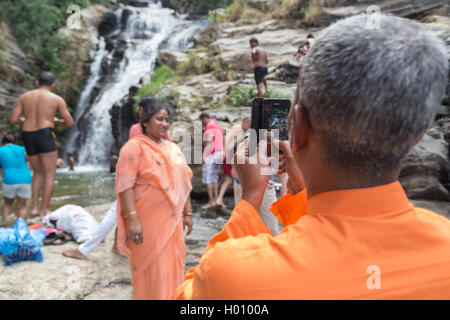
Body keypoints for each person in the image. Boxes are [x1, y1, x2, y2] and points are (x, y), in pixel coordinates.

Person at [173, 14, 450, 299]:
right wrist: (304, 196)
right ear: (418, 136)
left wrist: (251, 197)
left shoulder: (231, 275)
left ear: (299, 126)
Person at [62, 97, 170, 261]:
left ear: (142, 111)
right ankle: (117, 246)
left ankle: (84, 250)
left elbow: (132, 155)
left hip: (135, 181)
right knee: (124, 213)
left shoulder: (136, 128)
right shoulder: (165, 132)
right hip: (153, 181)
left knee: (116, 213)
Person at [116, 98, 194, 300]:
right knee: (152, 268)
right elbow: (125, 187)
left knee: (174, 264)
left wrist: (188, 213)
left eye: (167, 120)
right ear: (145, 121)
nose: (164, 124)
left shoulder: (173, 148)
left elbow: (184, 183)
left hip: (173, 221)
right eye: (159, 119)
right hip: (146, 222)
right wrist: (132, 220)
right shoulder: (133, 148)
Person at [10, 71, 74, 218]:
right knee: (50, 173)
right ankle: (44, 210)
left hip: (28, 134)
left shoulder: (24, 97)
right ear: (53, 85)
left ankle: (35, 208)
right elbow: (70, 123)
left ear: (37, 83)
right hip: (45, 133)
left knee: (37, 172)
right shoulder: (56, 99)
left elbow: (14, 119)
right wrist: (56, 121)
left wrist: (26, 121)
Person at [0, 134, 32, 223]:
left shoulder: (1, 150)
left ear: (3, 143)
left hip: (10, 179)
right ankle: (22, 227)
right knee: (22, 206)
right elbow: (30, 160)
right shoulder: (22, 149)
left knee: (7, 204)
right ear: (15, 142)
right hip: (25, 178)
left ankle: (6, 224)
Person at [199, 112, 223, 209]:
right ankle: (216, 199)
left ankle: (211, 201)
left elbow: (209, 141)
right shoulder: (218, 125)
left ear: (204, 118)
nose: (201, 123)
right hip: (219, 152)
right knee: (214, 178)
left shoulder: (209, 126)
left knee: (208, 178)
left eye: (201, 120)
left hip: (211, 153)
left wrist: (204, 155)